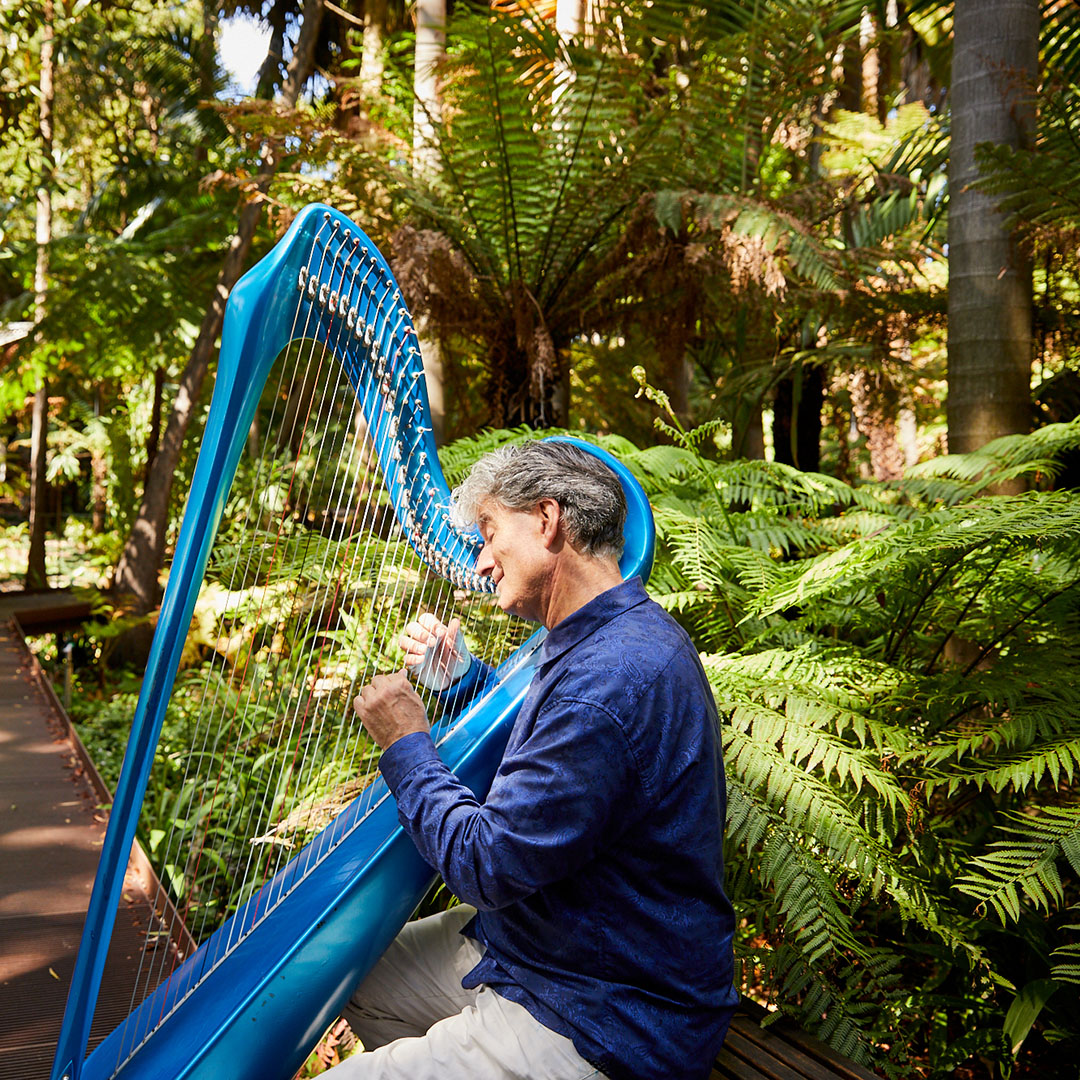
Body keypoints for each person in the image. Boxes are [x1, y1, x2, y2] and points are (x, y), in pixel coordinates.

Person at [328, 440, 737, 1080]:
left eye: (489, 532)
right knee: (345, 967)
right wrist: (464, 681)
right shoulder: (608, 633)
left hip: (603, 1010)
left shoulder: (607, 681)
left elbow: (484, 866)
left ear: (547, 521)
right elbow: (560, 766)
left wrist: (406, 742)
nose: (481, 559)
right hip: (548, 947)